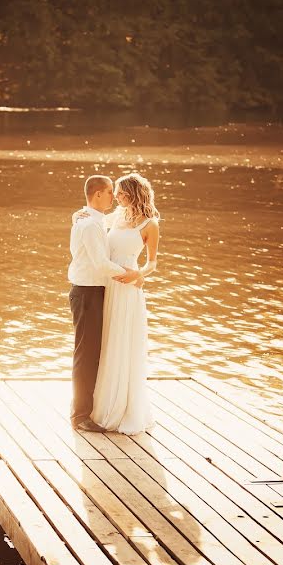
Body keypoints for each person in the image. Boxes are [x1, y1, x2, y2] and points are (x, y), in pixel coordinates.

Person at [67, 175, 140, 432]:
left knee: (92, 354)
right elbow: (100, 263)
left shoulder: (93, 220)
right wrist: (130, 275)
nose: (113, 197)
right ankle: (80, 416)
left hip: (93, 291)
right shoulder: (90, 225)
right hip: (87, 293)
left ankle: (85, 410)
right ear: (97, 194)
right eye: (110, 192)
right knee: (86, 356)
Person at [90, 173, 160, 434]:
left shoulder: (150, 225)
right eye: (115, 193)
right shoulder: (116, 217)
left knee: (123, 342)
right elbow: (92, 220)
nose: (116, 197)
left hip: (128, 287)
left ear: (134, 193)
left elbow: (153, 262)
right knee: (107, 340)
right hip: (108, 284)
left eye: (120, 192)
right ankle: (101, 403)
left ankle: (122, 407)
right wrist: (78, 216)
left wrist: (139, 274)